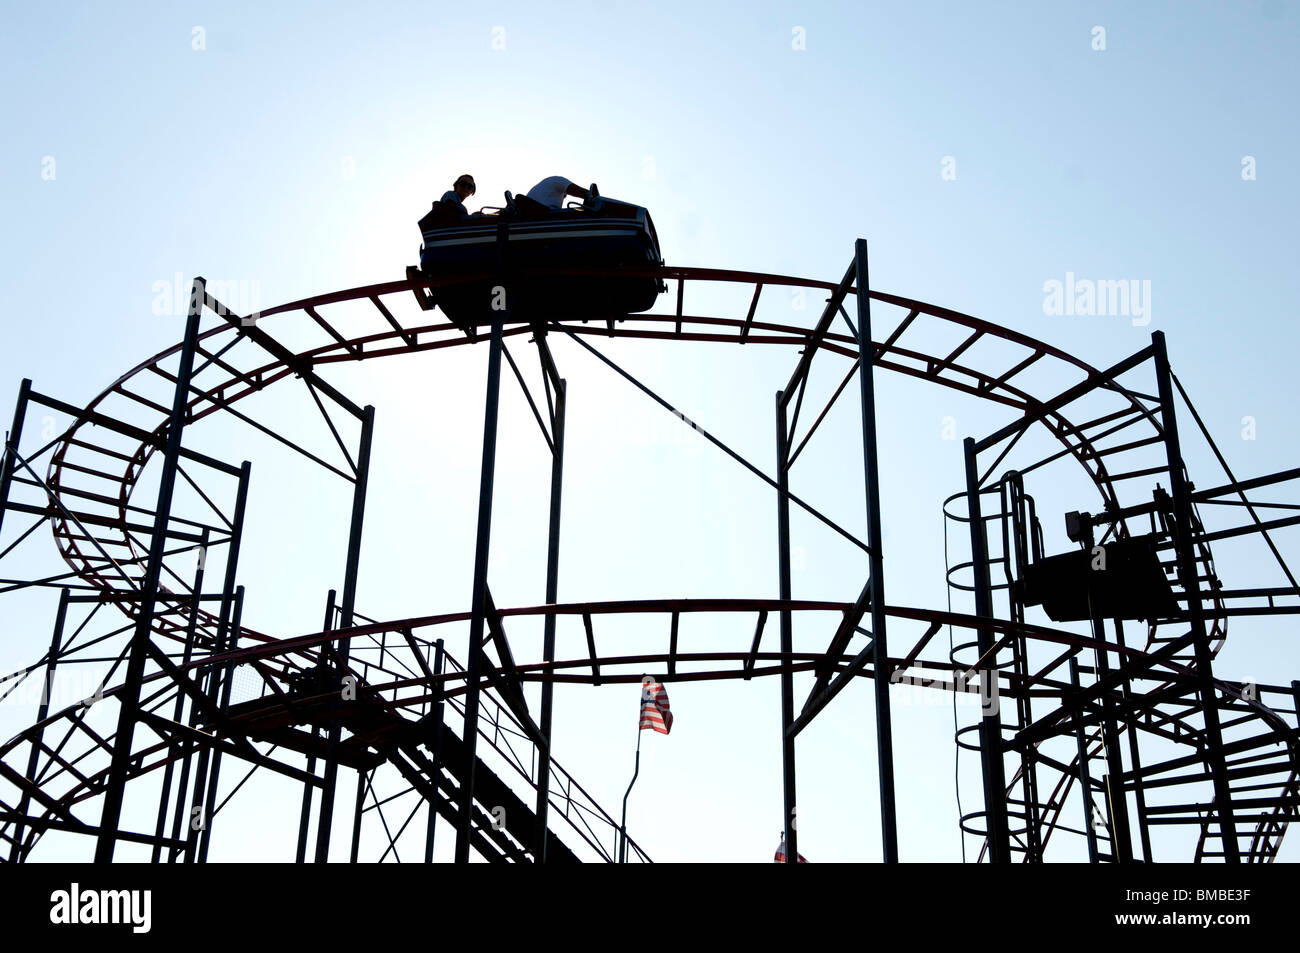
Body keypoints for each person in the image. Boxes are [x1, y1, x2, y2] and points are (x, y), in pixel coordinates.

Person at [525, 175, 590, 210]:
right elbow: (586, 194)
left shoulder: (539, 189)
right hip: (544, 219)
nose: (564, 197)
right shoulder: (558, 180)